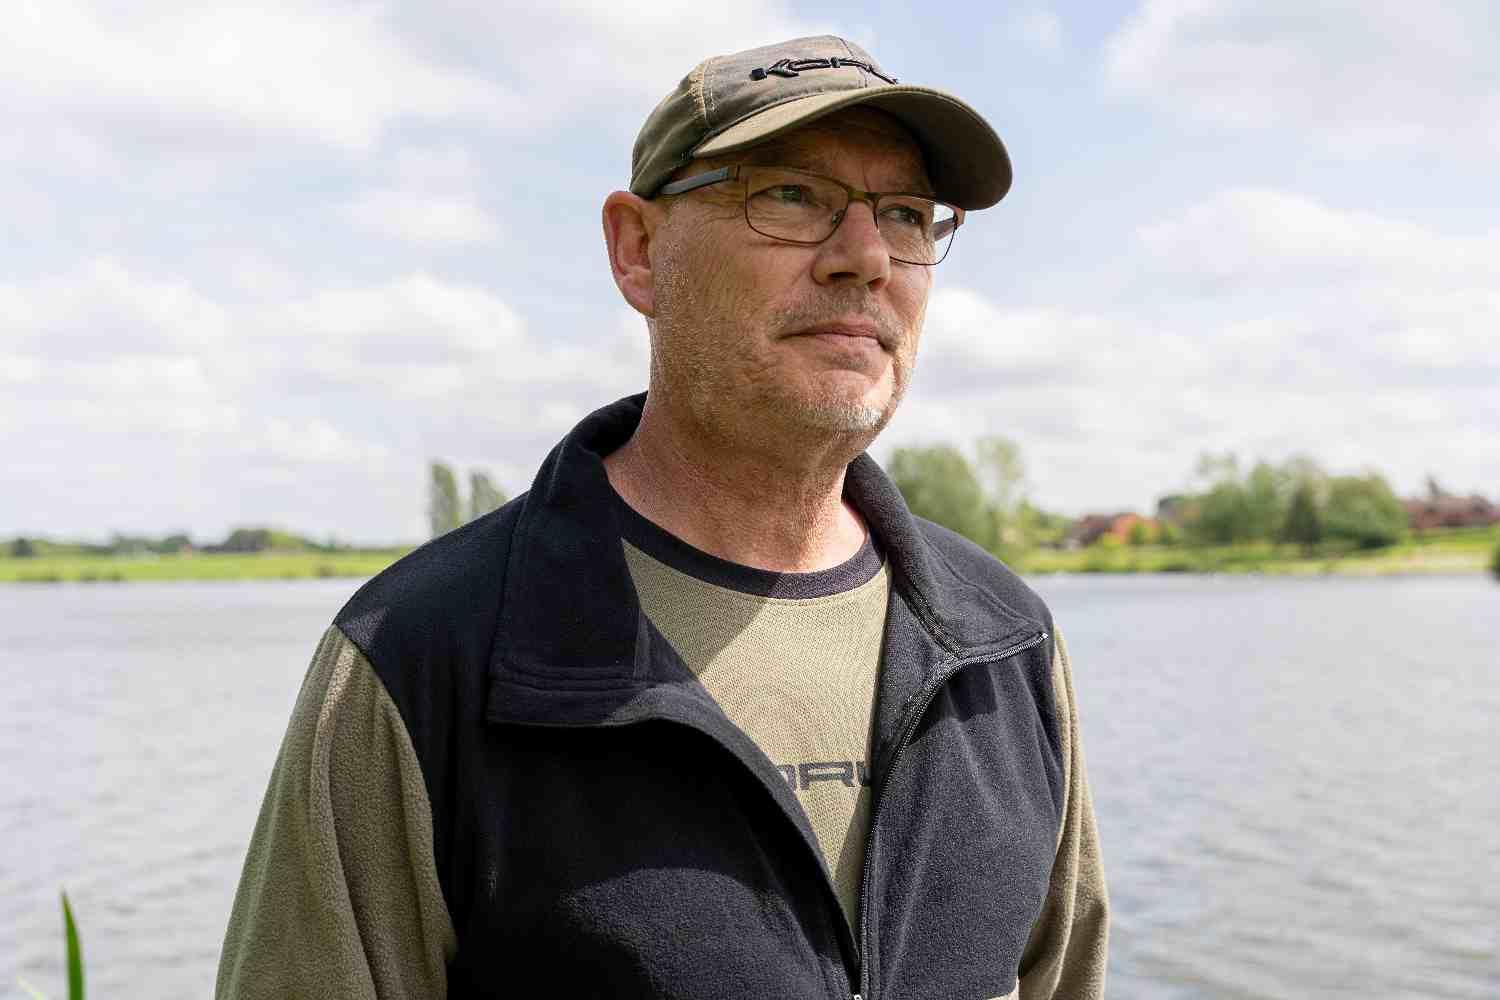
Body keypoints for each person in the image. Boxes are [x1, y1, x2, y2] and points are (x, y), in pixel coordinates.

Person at [216, 34, 1108, 1000]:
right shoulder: (421, 658)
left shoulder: (1005, 648)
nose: (865, 260)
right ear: (637, 251)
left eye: (903, 215)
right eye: (790, 196)